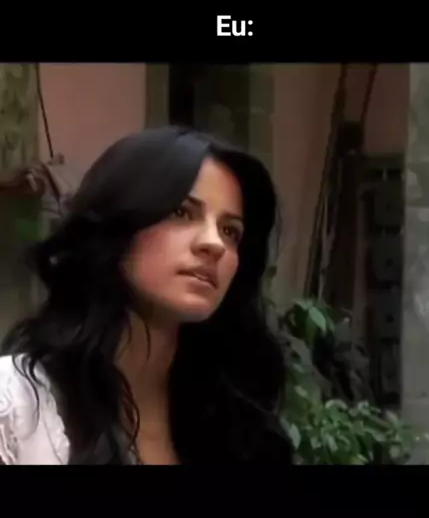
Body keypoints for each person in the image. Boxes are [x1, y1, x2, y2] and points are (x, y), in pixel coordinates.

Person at [0, 126, 293, 465]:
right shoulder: (15, 407)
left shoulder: (234, 424)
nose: (214, 244)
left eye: (230, 231)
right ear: (118, 224)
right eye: (182, 212)